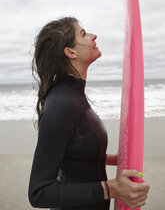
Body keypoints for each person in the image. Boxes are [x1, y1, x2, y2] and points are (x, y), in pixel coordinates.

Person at [28, 17, 150, 210]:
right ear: (70, 52)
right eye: (83, 34)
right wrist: (111, 189)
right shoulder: (61, 104)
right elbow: (39, 192)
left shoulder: (73, 96)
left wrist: (114, 159)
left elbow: (74, 152)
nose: (94, 36)